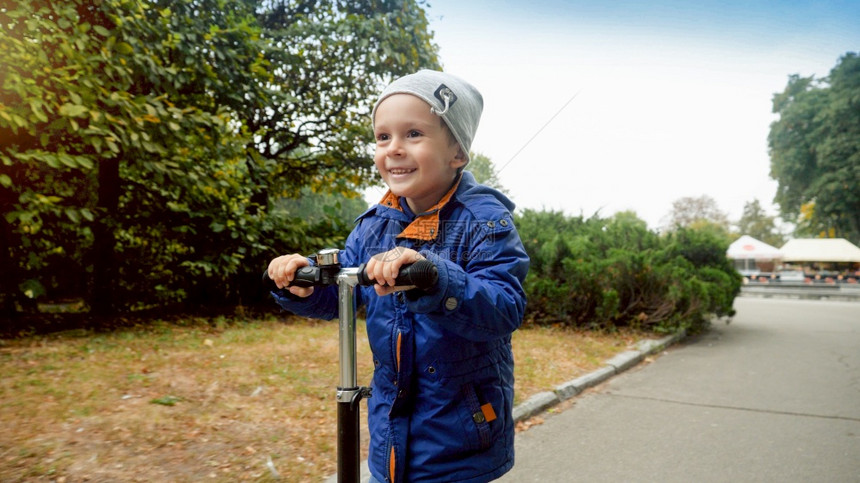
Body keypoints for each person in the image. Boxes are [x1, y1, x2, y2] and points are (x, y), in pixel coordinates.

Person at [267, 70, 529, 483]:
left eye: (413, 134)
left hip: (459, 438)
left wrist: (435, 278)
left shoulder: (485, 221)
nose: (395, 149)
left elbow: (505, 307)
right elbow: (345, 292)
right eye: (383, 137)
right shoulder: (374, 226)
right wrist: (302, 286)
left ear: (457, 153)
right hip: (389, 434)